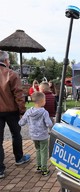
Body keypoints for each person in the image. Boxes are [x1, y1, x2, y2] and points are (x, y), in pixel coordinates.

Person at [0, 50, 30, 179]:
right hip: (12, 111)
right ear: (6, 61)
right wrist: (22, 111)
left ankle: (0, 170)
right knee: (16, 134)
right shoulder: (11, 74)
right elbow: (19, 95)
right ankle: (19, 158)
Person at [19, 92, 53, 176]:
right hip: (43, 136)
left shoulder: (29, 112)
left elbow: (21, 122)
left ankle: (38, 166)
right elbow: (49, 123)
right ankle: (44, 169)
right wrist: (52, 129)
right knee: (44, 151)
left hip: (33, 136)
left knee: (37, 150)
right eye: (44, 100)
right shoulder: (44, 112)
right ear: (42, 101)